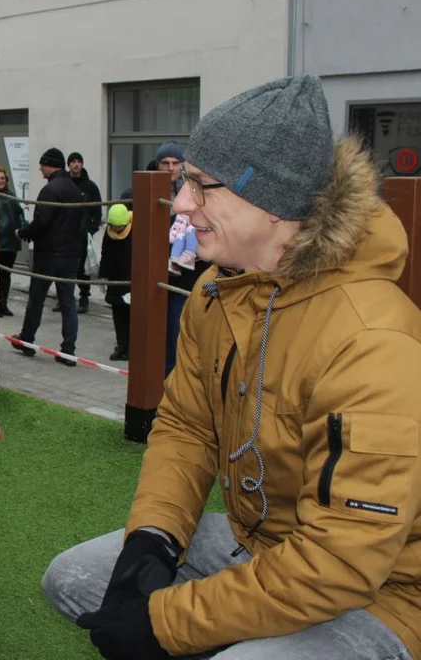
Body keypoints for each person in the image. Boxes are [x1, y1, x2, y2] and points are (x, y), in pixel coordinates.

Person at [42, 75, 421, 659]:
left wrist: (167, 622)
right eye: (183, 179)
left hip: (384, 591)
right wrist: (153, 540)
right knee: (75, 579)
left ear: (274, 203)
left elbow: (343, 559)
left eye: (201, 184)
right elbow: (187, 428)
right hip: (258, 538)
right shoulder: (218, 292)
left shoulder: (373, 337)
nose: (182, 201)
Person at [11, 147, 83, 366]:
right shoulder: (73, 188)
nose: (40, 168)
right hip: (71, 254)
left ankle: (27, 339)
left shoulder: (50, 190)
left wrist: (22, 233)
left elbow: (42, 222)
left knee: (37, 298)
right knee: (68, 302)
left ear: (50, 164)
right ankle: (68, 349)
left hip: (49, 255)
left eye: (42, 164)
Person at [157, 140, 212, 376]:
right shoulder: (141, 191)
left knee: (179, 339)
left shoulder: (195, 193)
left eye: (175, 163)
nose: (170, 168)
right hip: (156, 276)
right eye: (165, 163)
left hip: (187, 278)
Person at [54, 151, 101, 315]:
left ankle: (84, 298)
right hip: (64, 234)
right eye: (72, 162)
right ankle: (63, 298)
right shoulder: (63, 184)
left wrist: (91, 228)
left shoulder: (90, 187)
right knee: (63, 267)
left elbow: (96, 210)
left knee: (83, 269)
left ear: (82, 164)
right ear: (69, 165)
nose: (76, 165)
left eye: (78, 162)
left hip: (82, 235)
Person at [98, 203, 132, 362]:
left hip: (131, 279)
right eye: (114, 227)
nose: (117, 231)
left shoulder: (136, 230)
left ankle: (132, 347)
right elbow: (105, 253)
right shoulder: (109, 231)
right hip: (115, 279)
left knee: (131, 314)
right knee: (118, 314)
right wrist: (103, 276)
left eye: (120, 228)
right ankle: (122, 346)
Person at [0, 168, 24, 317]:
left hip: (10, 244)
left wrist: (23, 229)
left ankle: (3, 304)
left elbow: (20, 215)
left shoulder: (12, 197)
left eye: (2, 178)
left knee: (6, 276)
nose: (0, 181)